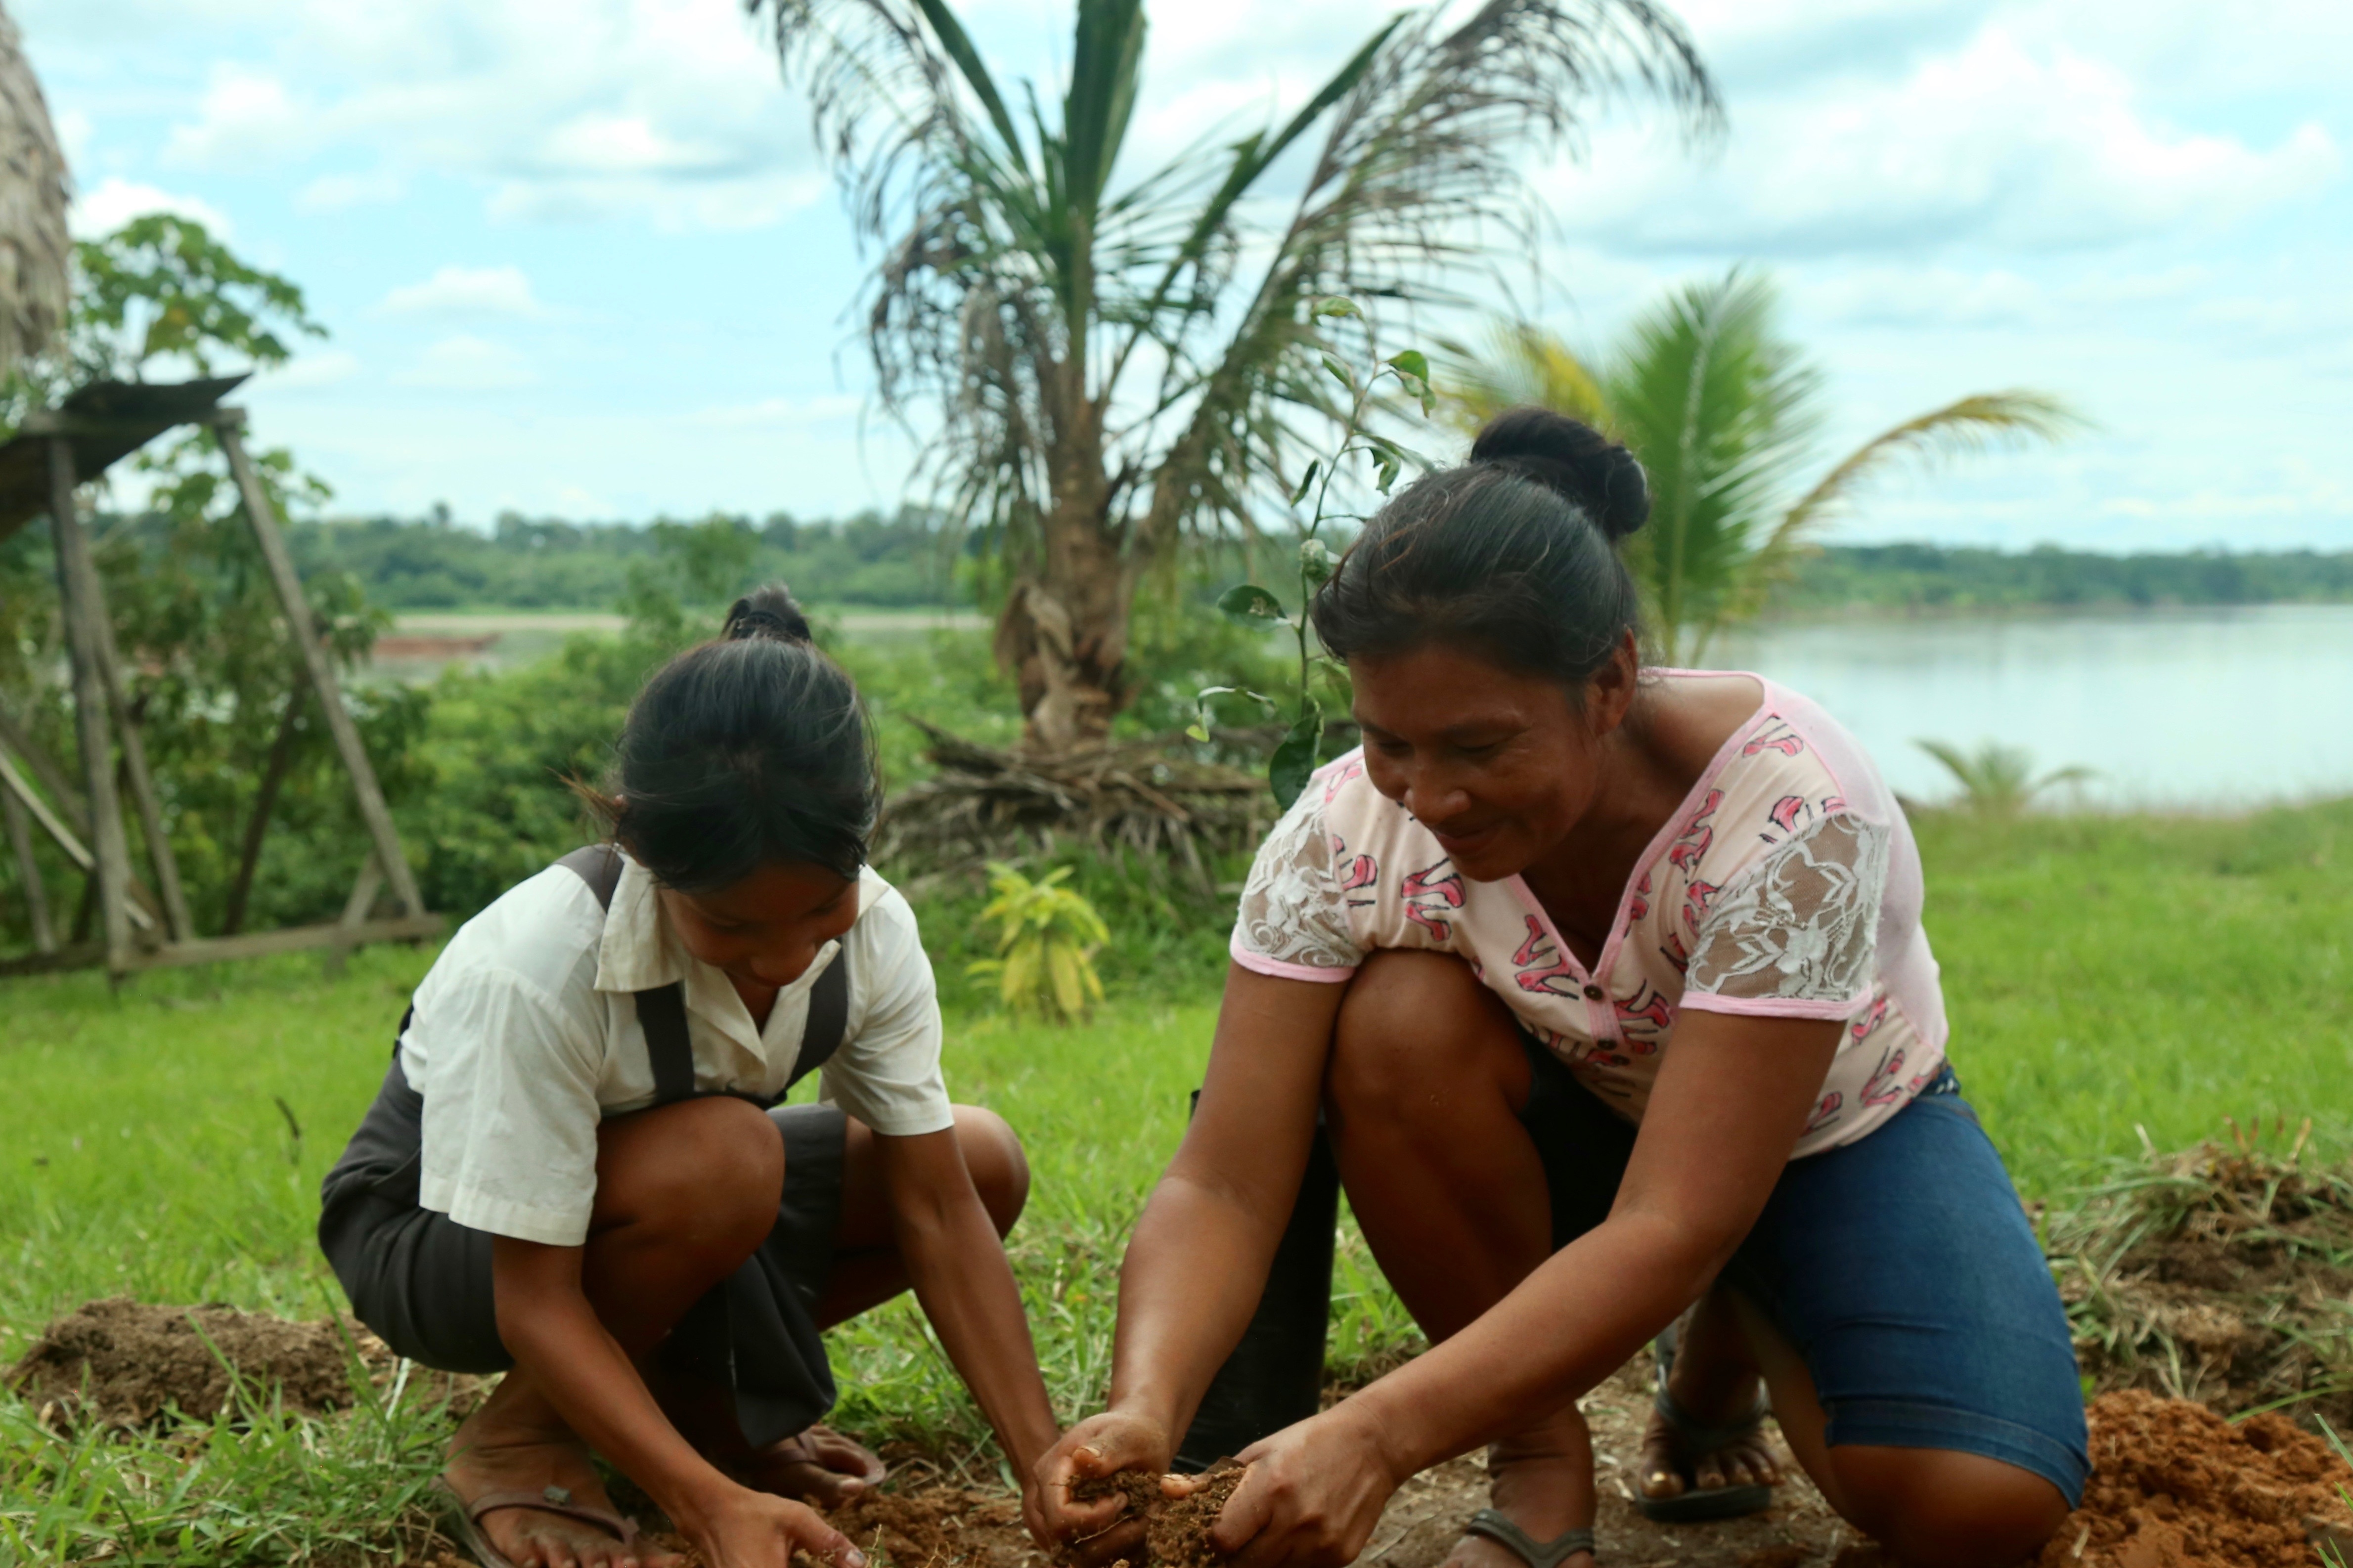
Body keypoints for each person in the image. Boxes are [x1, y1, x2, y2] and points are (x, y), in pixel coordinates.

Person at [1034, 411, 2087, 1568]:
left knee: (1974, 1504)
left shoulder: (1792, 814)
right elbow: (1227, 1177)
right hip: (1595, 1128)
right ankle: (1537, 1459)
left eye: (1480, 747)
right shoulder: (1343, 826)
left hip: (1830, 1139)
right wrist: (1144, 1404)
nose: (1428, 796)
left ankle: (1722, 1347)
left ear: (1611, 681)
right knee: (1394, 1021)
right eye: (1390, 741)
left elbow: (1672, 1219)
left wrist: (1374, 1437)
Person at [321, 588, 1059, 1568]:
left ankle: (695, 1396)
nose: (787, 958)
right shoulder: (543, 959)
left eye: (820, 912)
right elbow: (531, 1293)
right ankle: (517, 1436)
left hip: (659, 1205)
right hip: (442, 1236)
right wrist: (707, 1504)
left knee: (980, 1157)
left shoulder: (877, 930)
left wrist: (1046, 1465)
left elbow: (935, 1207)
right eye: (735, 926)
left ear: (864, 838)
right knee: (726, 1157)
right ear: (639, 847)